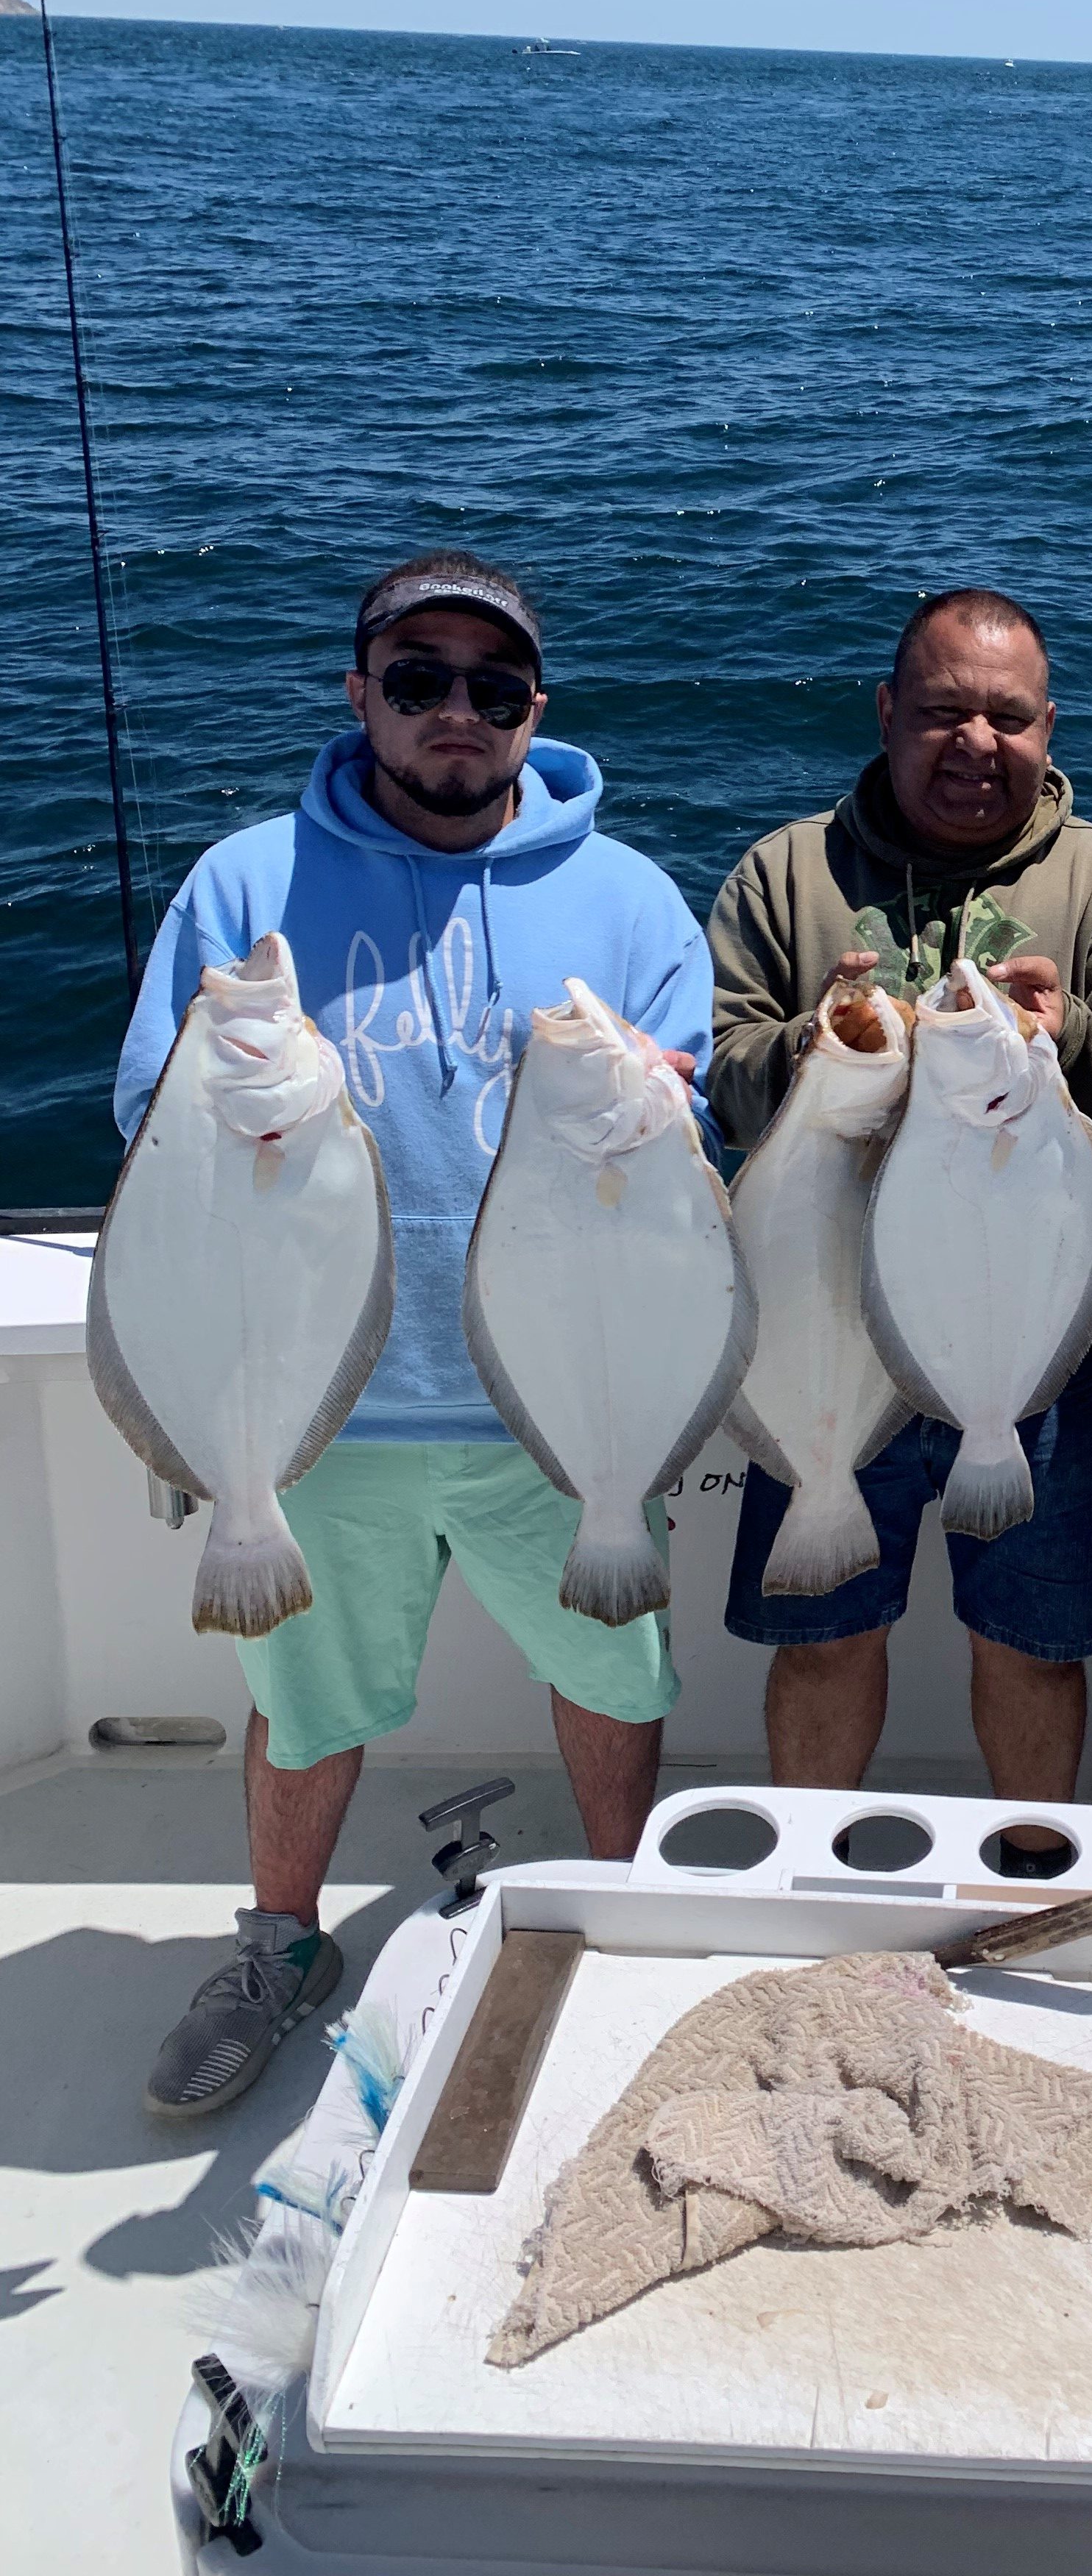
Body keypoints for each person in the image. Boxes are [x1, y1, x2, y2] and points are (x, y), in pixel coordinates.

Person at [118, 555, 709, 2117]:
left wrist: (669, 1104)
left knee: (616, 1679)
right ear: (359, 692)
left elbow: (691, 1142)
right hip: (323, 1410)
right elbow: (145, 1128)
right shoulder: (242, 886)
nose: (458, 709)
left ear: (535, 710)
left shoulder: (630, 899)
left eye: (493, 685)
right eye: (419, 677)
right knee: (304, 1705)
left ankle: (621, 1918)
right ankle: (278, 1945)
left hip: (563, 1408)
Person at [706, 588, 1092, 1828]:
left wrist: (1066, 1036)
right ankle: (808, 1875)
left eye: (1009, 718)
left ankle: (1027, 1881)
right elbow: (722, 1088)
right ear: (886, 712)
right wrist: (815, 1044)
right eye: (940, 713)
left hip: (1029, 1340)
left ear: (1049, 728)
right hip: (822, 1331)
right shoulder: (787, 875)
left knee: (1030, 1645)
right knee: (823, 1639)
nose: (977, 743)